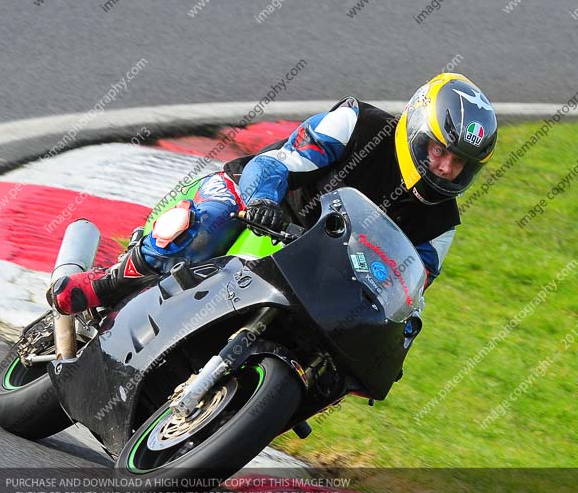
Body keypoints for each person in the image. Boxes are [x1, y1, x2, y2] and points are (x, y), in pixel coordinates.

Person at [47, 73, 497, 315]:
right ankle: (103, 285)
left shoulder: (442, 224)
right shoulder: (359, 123)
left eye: (459, 163)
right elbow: (277, 161)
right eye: (441, 151)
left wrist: (397, 331)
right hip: (259, 209)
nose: (444, 167)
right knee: (206, 225)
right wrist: (262, 200)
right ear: (419, 129)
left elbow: (412, 290)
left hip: (320, 275)